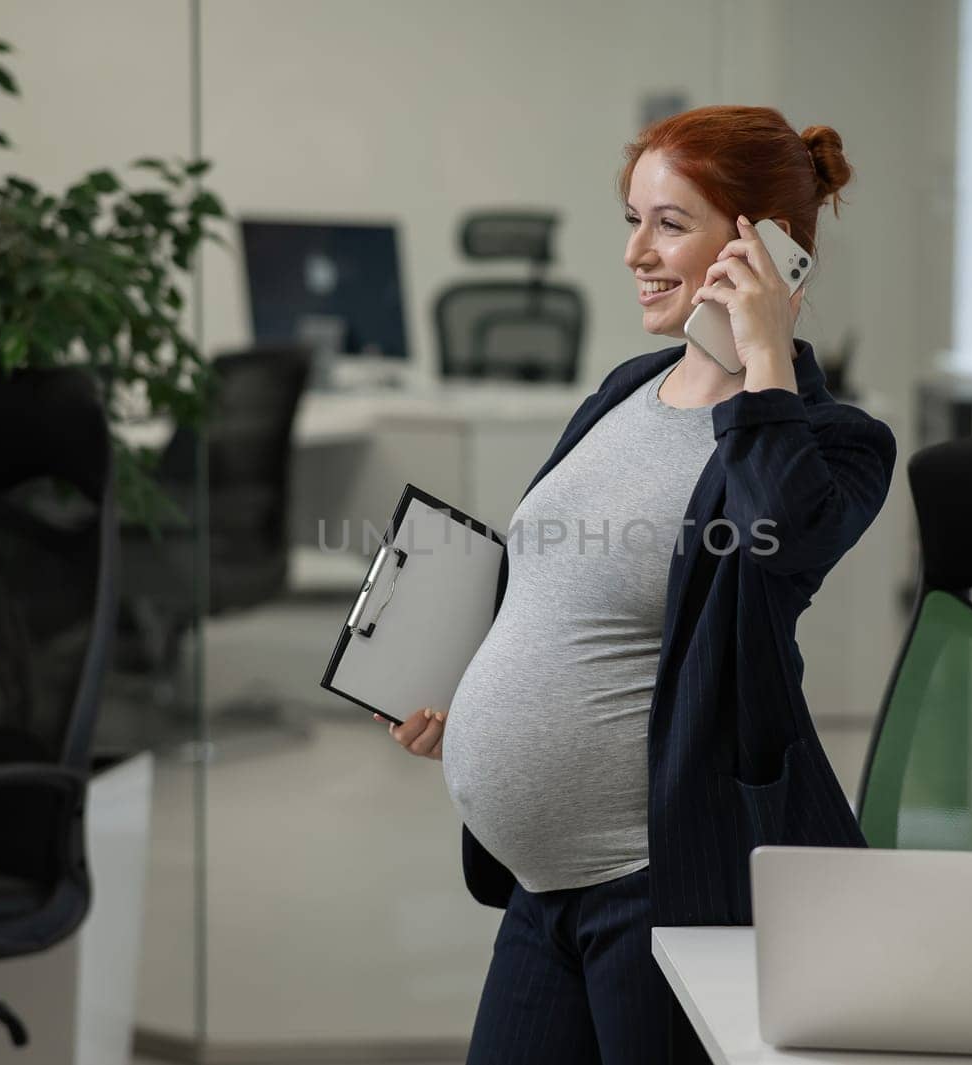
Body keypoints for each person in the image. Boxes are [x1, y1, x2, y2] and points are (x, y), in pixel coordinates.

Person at [374, 105, 896, 1064]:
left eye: (669, 223)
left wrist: (765, 357)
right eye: (632, 218)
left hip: (663, 885)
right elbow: (559, 587)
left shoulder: (831, 441)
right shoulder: (623, 387)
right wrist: (466, 691)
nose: (635, 253)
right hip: (541, 890)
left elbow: (784, 546)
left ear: (763, 246)